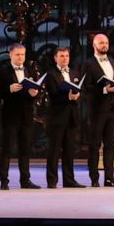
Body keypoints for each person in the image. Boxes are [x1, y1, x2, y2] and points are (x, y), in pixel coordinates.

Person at [0, 43, 41, 190]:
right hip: (10, 115)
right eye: (17, 55)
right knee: (7, 149)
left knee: (25, 149)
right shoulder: (4, 70)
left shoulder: (29, 69)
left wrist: (34, 94)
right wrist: (9, 89)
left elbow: (34, 88)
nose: (21, 57)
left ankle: (25, 180)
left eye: (23, 55)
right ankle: (4, 181)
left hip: (26, 115)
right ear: (11, 55)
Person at [83, 33, 114, 187]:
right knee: (94, 145)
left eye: (106, 42)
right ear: (94, 45)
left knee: (110, 145)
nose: (104, 45)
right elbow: (86, 87)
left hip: (112, 109)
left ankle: (109, 177)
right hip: (97, 110)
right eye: (101, 43)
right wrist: (104, 89)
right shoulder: (88, 64)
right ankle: (94, 178)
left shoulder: (113, 62)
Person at [44, 46, 85, 188]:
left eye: (66, 56)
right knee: (54, 150)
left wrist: (78, 96)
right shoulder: (50, 74)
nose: (64, 58)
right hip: (57, 116)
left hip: (71, 116)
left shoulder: (74, 72)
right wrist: (67, 96)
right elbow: (53, 94)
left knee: (69, 150)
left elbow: (80, 91)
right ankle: (52, 180)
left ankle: (69, 180)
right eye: (61, 56)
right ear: (55, 58)